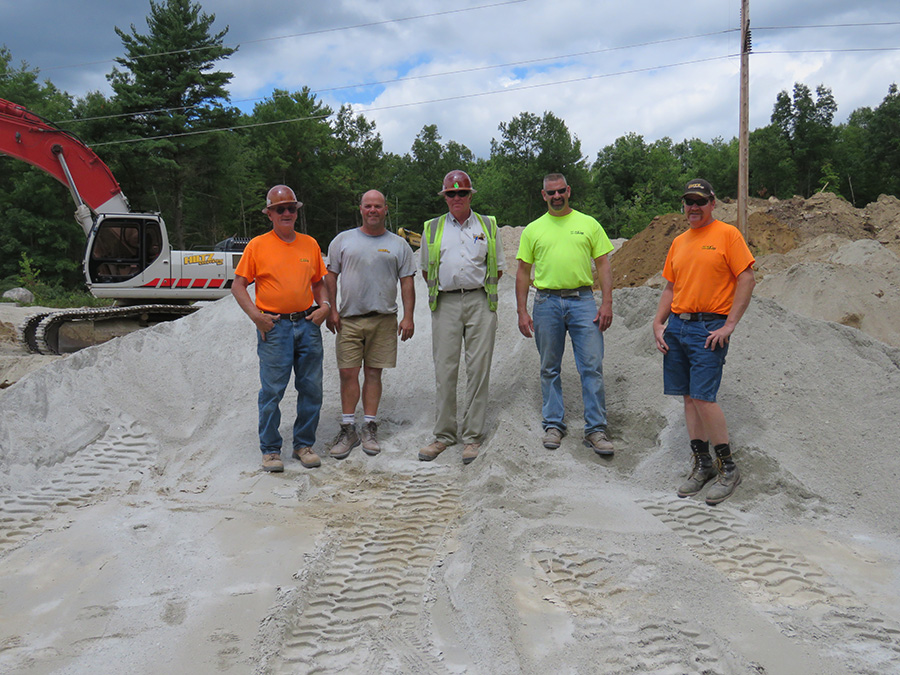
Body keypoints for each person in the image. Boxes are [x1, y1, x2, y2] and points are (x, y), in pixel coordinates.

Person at [652, 178, 755, 505]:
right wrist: (658, 321)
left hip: (709, 328)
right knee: (687, 398)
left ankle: (728, 468)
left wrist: (730, 325)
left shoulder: (728, 235)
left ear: (712, 203)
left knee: (704, 397)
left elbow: (747, 277)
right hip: (678, 328)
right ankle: (703, 465)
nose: (693, 208)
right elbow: (671, 287)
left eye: (699, 201)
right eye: (688, 202)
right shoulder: (680, 242)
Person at [232, 185, 332, 473]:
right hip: (275, 328)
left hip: (307, 324)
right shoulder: (257, 246)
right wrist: (256, 317)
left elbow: (317, 282)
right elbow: (238, 286)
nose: (286, 213)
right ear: (270, 214)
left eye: (291, 208)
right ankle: (271, 450)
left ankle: (303, 444)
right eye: (280, 209)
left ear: (296, 212)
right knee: (272, 390)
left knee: (311, 387)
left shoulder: (309, 244)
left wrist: (324, 306)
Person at [515, 173, 615, 456]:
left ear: (568, 191)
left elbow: (604, 265)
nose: (556, 196)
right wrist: (522, 311)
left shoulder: (588, 224)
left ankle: (596, 429)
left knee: (592, 366)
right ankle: (554, 425)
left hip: (583, 301)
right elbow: (523, 272)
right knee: (549, 367)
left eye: (561, 191)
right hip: (546, 302)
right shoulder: (533, 230)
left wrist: (606, 302)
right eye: (551, 192)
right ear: (543, 195)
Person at [419, 170, 504, 465]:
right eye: (451, 194)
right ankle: (444, 435)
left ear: (470, 195)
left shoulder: (488, 225)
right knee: (445, 369)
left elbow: (498, 266)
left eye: (462, 193)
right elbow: (426, 269)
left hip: (480, 301)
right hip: (446, 303)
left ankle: (473, 436)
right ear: (445, 197)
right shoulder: (432, 228)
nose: (457, 198)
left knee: (478, 370)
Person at [324, 190, 416, 459]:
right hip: (349, 319)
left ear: (386, 209)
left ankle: (370, 426)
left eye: (378, 206)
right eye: (368, 206)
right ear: (361, 209)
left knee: (374, 374)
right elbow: (331, 276)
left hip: (384, 319)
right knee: (348, 374)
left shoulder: (399, 245)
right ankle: (348, 427)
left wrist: (408, 316)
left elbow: (407, 282)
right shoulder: (343, 241)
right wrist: (331, 308)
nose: (373, 210)